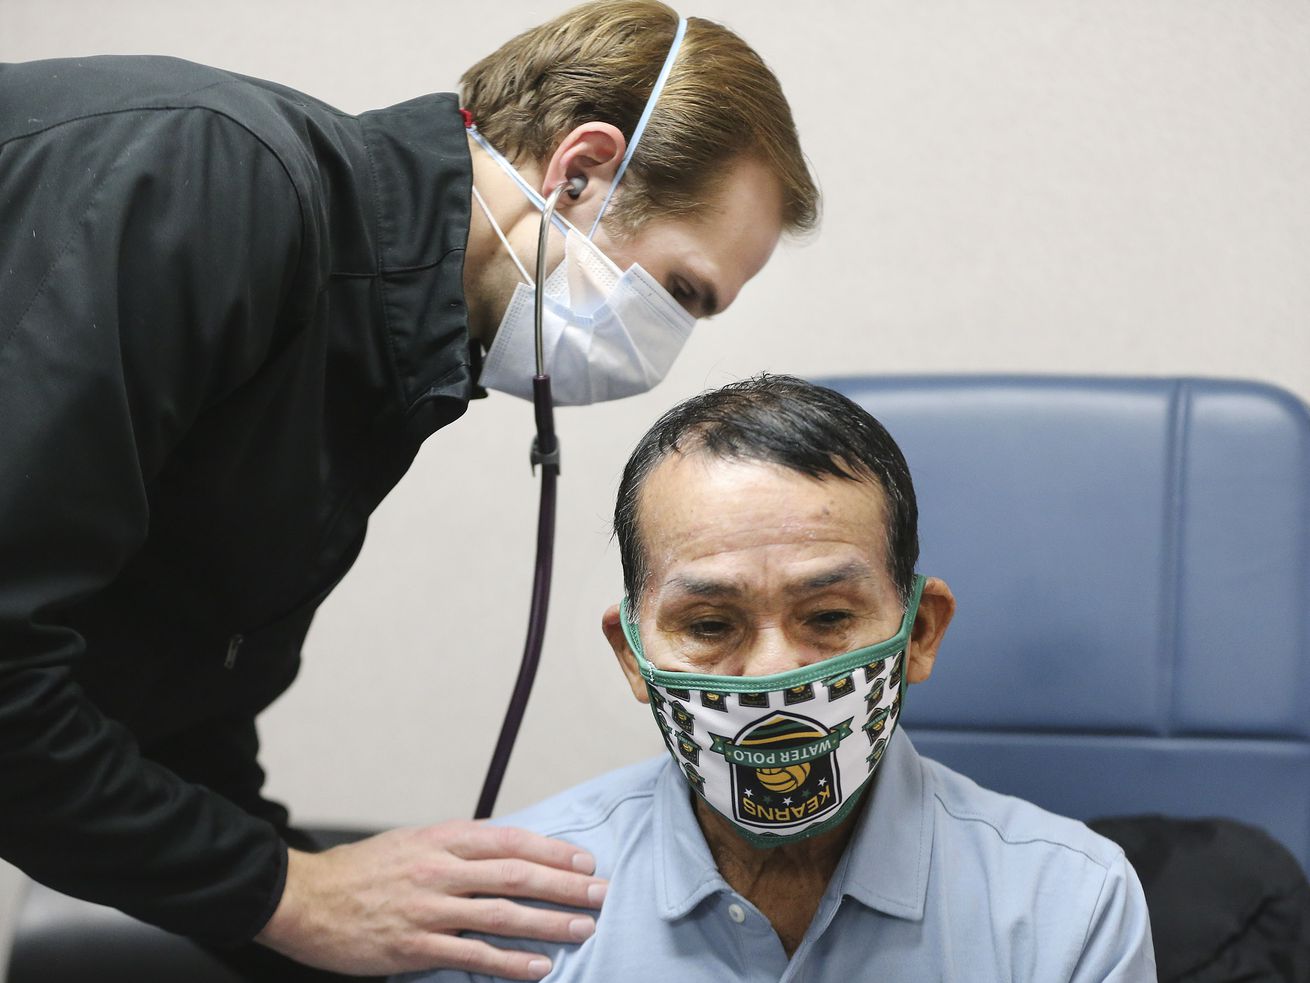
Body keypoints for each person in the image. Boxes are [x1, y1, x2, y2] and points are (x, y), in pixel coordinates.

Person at [0, 2, 818, 979]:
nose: (667, 344)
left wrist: (316, 914)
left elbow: (160, 690)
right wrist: (284, 891)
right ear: (580, 170)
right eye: (682, 292)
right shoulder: (218, 184)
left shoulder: (371, 350)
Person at [398, 375, 1157, 982]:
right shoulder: (497, 908)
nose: (770, 673)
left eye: (827, 617)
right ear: (632, 655)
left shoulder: (1070, 905)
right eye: (709, 625)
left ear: (919, 632)